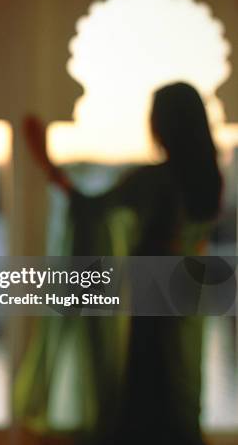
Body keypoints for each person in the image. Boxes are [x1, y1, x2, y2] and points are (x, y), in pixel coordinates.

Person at [20, 82, 222, 444]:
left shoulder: (156, 179)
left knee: (149, 391)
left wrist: (47, 164)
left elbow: (93, 208)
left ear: (166, 124)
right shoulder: (211, 179)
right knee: (183, 384)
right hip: (193, 294)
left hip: (156, 299)